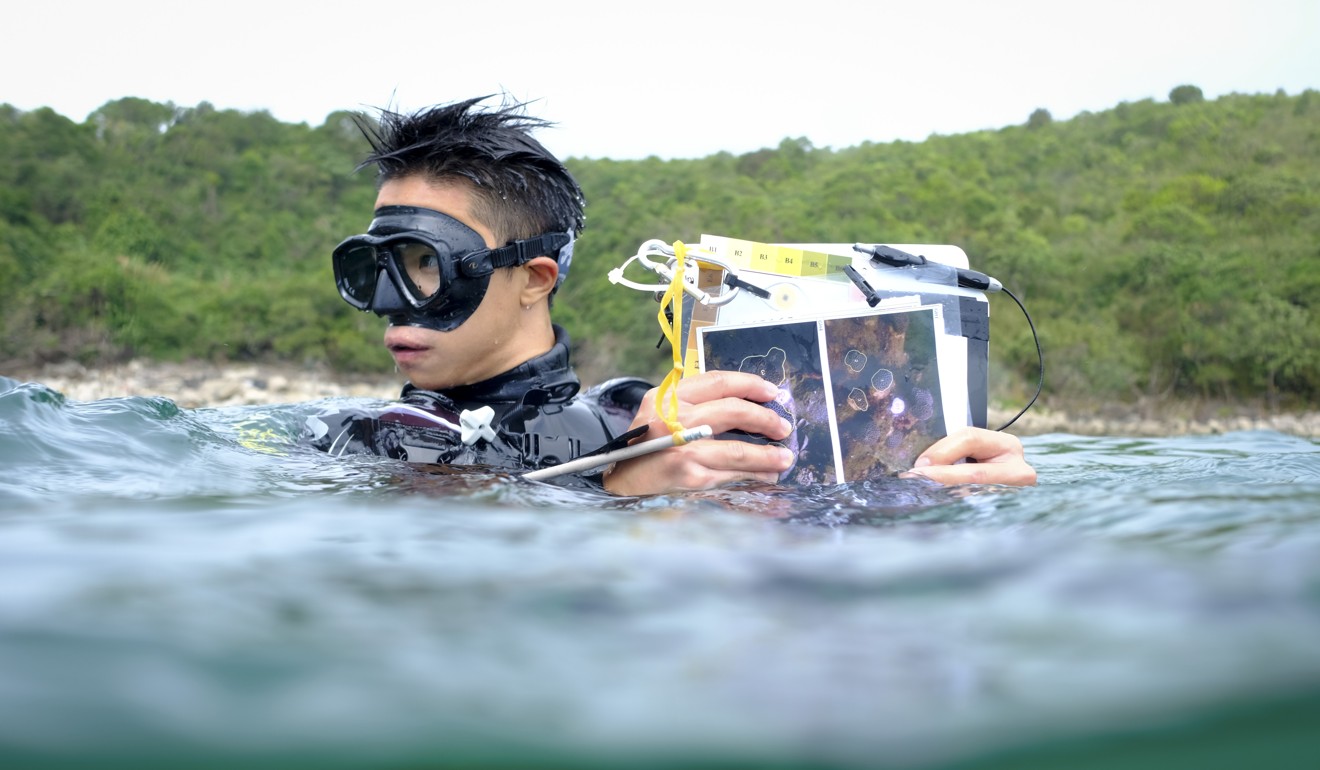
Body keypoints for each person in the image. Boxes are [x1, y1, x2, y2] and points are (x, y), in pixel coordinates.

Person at [308, 96, 1036, 494]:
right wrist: (617, 488)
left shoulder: (655, 414)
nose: (390, 300)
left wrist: (943, 498)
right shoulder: (348, 436)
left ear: (534, 278)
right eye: (371, 268)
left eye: (424, 262)